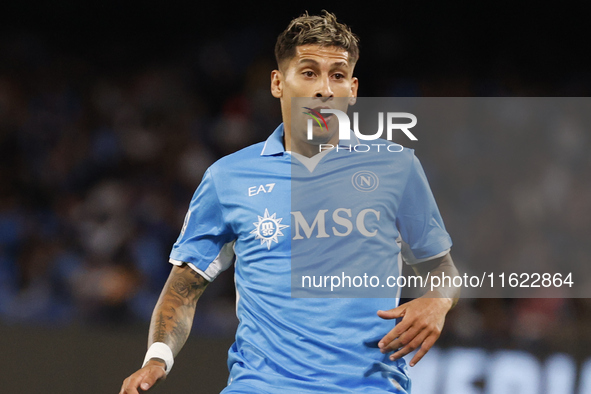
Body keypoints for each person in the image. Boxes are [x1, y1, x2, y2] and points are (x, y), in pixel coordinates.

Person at [120, 10, 460, 394]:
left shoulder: (396, 167)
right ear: (278, 83)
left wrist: (437, 301)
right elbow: (184, 288)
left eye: (338, 75)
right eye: (309, 72)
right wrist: (157, 359)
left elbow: (441, 268)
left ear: (353, 88)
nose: (324, 89)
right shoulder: (228, 178)